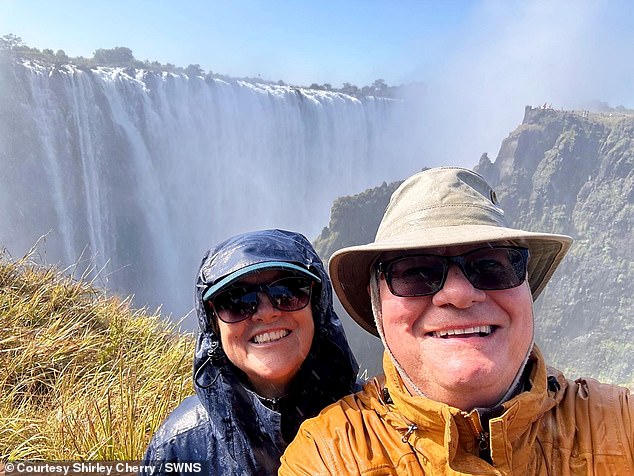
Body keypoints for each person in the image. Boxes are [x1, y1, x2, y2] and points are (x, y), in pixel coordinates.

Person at [279, 167, 634, 475]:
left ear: (526, 286)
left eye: (492, 265)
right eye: (416, 273)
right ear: (378, 306)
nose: (460, 294)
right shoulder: (329, 456)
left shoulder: (624, 424)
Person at [143, 229, 358, 475]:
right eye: (237, 300)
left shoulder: (380, 422)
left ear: (317, 304)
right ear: (213, 320)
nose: (266, 312)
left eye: (288, 291)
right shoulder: (179, 446)